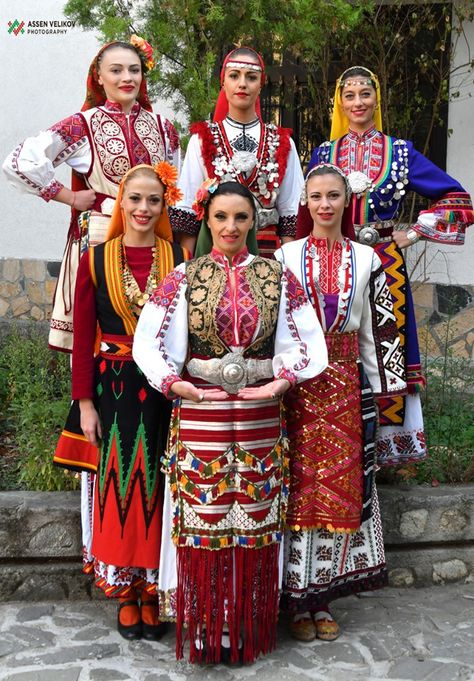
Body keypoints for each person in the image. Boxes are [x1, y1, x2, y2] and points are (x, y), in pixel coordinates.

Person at [133, 179, 328, 663]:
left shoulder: (277, 277)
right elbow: (148, 342)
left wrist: (282, 382)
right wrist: (174, 384)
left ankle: (246, 621)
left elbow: (307, 343)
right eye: (221, 217)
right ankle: (205, 624)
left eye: (241, 217)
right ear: (207, 220)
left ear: (255, 222)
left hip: (261, 413)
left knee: (254, 523)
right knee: (206, 518)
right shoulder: (183, 276)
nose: (230, 227)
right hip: (202, 410)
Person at [299, 66, 473, 466]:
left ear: (377, 99)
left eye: (365, 94)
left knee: (384, 349)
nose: (358, 103)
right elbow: (305, 214)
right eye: (350, 95)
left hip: (383, 263)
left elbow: (457, 199)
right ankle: (329, 440)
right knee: (334, 346)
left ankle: (383, 450)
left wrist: (412, 233)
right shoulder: (324, 154)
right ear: (339, 103)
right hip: (333, 260)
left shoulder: (399, 152)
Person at [53, 163, 187, 640]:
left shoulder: (180, 260)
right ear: (121, 203)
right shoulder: (95, 259)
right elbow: (84, 335)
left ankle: (155, 588)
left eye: (154, 200)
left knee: (162, 486)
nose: (143, 209)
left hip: (166, 391)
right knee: (120, 486)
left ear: (163, 205)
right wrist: (84, 403)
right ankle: (126, 591)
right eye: (135, 199)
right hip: (112, 391)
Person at [276, 163, 406, 641]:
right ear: (305, 203)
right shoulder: (285, 256)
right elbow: (277, 329)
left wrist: (380, 394)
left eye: (334, 196)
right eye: (316, 196)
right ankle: (295, 599)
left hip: (346, 388)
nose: (325, 204)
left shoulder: (367, 258)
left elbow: (375, 331)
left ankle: (323, 597)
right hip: (299, 388)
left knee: (338, 489)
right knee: (298, 488)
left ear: (346, 201)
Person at [3, 36, 180, 352]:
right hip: (99, 235)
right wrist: (68, 197)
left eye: (134, 70)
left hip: (153, 242)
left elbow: (173, 191)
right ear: (99, 77)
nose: (127, 78)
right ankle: (87, 400)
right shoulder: (82, 125)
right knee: (97, 334)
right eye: (116, 70)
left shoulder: (164, 128)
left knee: (155, 330)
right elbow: (20, 162)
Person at [168, 47, 303, 258]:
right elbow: (188, 212)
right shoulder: (202, 139)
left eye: (251, 77)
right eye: (234, 76)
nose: (242, 84)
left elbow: (291, 213)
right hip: (217, 252)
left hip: (268, 254)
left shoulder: (282, 141)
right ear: (224, 82)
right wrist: (188, 268)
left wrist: (290, 269)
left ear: (261, 83)